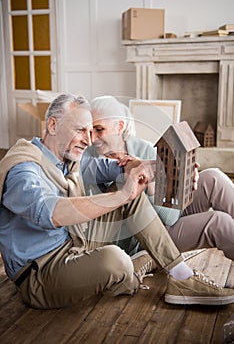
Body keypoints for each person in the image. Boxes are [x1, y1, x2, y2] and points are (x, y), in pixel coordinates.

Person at [0, 93, 234, 310]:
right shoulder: (23, 170)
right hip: (41, 272)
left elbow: (115, 167)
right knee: (117, 260)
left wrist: (165, 171)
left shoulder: (68, 160)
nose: (87, 140)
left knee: (127, 185)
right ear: (52, 125)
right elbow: (50, 213)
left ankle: (182, 277)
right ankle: (136, 267)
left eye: (91, 131)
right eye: (80, 130)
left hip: (75, 243)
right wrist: (122, 195)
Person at [87, 95, 234, 262]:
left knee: (213, 178)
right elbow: (168, 219)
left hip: (166, 213)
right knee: (217, 222)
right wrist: (149, 182)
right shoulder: (90, 163)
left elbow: (171, 210)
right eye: (89, 130)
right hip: (143, 238)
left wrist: (180, 177)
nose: (92, 138)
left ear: (120, 126)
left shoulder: (144, 148)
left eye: (99, 130)